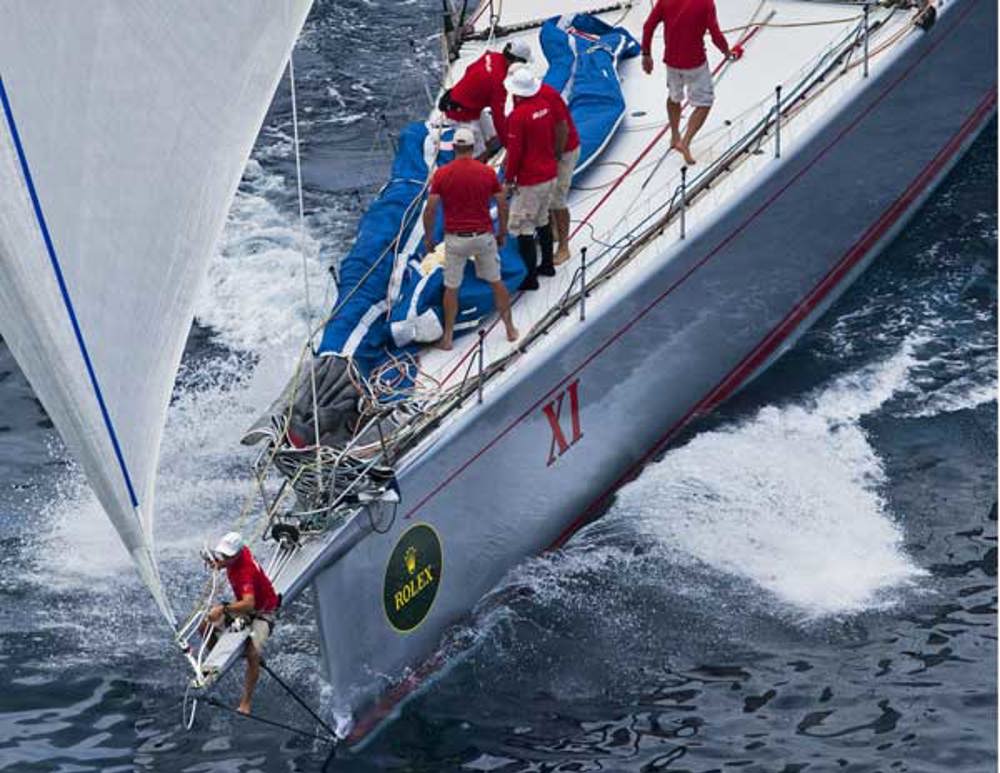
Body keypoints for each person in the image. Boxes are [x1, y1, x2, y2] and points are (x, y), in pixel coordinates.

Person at [422, 127, 518, 350]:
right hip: (483, 236)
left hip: (455, 240)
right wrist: (502, 231)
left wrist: (428, 238)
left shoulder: (442, 174)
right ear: (473, 147)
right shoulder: (486, 173)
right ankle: (510, 329)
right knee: (496, 282)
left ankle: (447, 338)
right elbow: (502, 203)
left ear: (454, 147)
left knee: (451, 288)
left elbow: (431, 209)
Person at [641, 0, 742, 165]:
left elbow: (648, 26)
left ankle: (675, 136)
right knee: (704, 103)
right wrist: (726, 51)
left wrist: (646, 54)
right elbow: (715, 35)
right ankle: (686, 141)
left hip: (672, 62)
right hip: (695, 63)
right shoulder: (706, 3)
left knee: (674, 97)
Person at [202, 532, 280, 714]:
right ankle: (220, 659)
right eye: (223, 554)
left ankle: (246, 703)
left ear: (237, 556)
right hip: (244, 609)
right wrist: (218, 562)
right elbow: (226, 559)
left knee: (252, 654)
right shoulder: (238, 552)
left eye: (227, 557)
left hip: (263, 612)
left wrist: (223, 608)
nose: (224, 558)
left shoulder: (244, 570)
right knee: (204, 626)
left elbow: (249, 603)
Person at [502, 67, 558, 291]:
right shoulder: (544, 106)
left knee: (523, 226)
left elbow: (515, 152)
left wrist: (508, 179)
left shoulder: (518, 116)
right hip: (549, 173)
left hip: (530, 180)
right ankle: (547, 264)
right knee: (543, 219)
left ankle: (530, 277)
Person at [438, 40, 532, 157]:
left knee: (493, 136)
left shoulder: (492, 56)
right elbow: (498, 117)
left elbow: (469, 69)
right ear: (515, 61)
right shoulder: (499, 81)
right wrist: (509, 146)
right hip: (461, 114)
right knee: (479, 153)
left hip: (470, 106)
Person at [535, 79, 581, 265]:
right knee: (546, 193)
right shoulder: (519, 96)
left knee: (557, 198)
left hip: (565, 150)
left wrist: (556, 156)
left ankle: (564, 247)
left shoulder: (549, 96)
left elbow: (562, 127)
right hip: (546, 150)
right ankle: (553, 230)